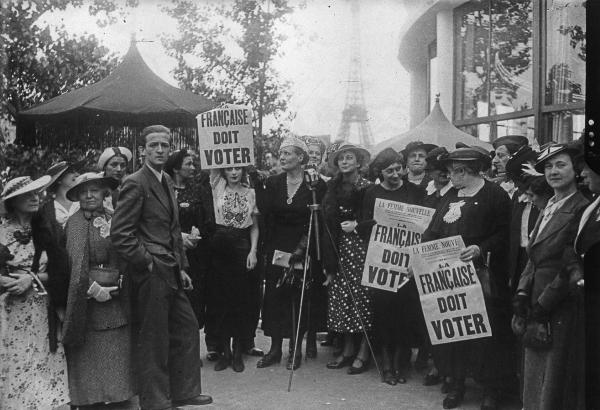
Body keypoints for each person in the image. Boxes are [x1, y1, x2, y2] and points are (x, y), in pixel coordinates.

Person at [111, 125, 212, 409]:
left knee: (187, 328)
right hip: (152, 271)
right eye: (153, 145)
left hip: (171, 269)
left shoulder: (166, 179)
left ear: (170, 149)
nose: (159, 150)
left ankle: (184, 390)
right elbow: (121, 235)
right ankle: (156, 401)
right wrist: (147, 262)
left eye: (164, 146)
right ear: (143, 150)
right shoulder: (135, 182)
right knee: (154, 338)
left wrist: (181, 267)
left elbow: (173, 228)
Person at [422, 146, 514, 410]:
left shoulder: (494, 195)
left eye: (455, 172)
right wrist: (420, 257)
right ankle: (457, 381)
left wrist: (480, 248)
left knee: (486, 331)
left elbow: (504, 233)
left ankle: (490, 388)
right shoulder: (450, 194)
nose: (451, 177)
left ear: (467, 170)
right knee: (455, 329)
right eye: (451, 172)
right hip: (449, 274)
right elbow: (433, 230)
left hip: (481, 273)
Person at [513, 143, 588, 410]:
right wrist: (522, 293)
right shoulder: (550, 206)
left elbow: (571, 263)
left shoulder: (582, 208)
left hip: (557, 306)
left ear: (575, 168)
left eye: (560, 164)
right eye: (548, 166)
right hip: (535, 301)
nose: (553, 171)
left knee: (552, 382)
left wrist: (543, 306)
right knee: (533, 378)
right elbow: (534, 255)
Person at [62, 172, 136, 408]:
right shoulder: (74, 224)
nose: (89, 195)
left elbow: (126, 252)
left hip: (116, 302)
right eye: (83, 192)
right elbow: (74, 264)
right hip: (88, 306)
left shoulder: (115, 218)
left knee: (117, 368)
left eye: (94, 190)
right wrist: (92, 289)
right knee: (89, 372)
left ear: (105, 192)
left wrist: (122, 279)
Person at [255, 135, 327, 370]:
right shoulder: (274, 183)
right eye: (281, 153)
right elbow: (265, 212)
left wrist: (303, 248)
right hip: (277, 247)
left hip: (302, 247)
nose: (282, 157)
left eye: (287, 153)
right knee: (275, 298)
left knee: (299, 297)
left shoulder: (314, 184)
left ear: (301, 157)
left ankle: (295, 349)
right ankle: (275, 349)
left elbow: (317, 219)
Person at [0, 175, 70, 409]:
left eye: (36, 193)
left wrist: (31, 279)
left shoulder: (48, 228)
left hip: (40, 310)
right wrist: (7, 282)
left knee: (42, 365)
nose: (34, 198)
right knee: (11, 363)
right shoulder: (0, 230)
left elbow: (61, 272)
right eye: (27, 194)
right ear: (12, 201)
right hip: (7, 311)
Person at [361, 148, 425, 384]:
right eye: (390, 171)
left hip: (407, 263)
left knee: (405, 315)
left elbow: (424, 227)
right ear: (380, 172)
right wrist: (375, 224)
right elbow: (364, 225)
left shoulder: (415, 192)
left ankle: (401, 363)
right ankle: (386, 364)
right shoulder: (372, 193)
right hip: (382, 263)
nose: (396, 174)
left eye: (399, 169)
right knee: (383, 314)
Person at [322, 142, 374, 375]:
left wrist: (357, 226)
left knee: (362, 298)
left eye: (349, 157)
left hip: (363, 247)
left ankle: (363, 351)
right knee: (343, 298)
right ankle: (348, 348)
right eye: (341, 158)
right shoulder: (332, 187)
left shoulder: (369, 187)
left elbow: (375, 219)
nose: (344, 162)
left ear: (358, 162)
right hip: (340, 248)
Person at [207, 166, 259, 372]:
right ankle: (224, 352)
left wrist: (252, 251)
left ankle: (238, 352)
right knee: (221, 301)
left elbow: (255, 226)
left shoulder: (251, 193)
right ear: (223, 172)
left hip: (241, 245)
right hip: (220, 246)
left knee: (240, 301)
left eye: (238, 168)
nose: (234, 172)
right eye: (229, 168)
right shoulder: (218, 186)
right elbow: (212, 162)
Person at [164, 150, 213, 332]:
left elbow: (208, 219)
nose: (193, 168)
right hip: (170, 252)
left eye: (194, 164)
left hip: (196, 254)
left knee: (194, 300)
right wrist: (178, 239)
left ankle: (190, 351)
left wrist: (197, 234)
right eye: (188, 164)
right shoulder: (164, 189)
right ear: (176, 168)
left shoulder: (199, 190)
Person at [41, 160, 84, 242]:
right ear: (59, 179)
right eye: (72, 172)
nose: (77, 175)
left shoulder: (83, 203)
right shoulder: (47, 210)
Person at [97, 146, 133, 212]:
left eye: (123, 165)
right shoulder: (93, 184)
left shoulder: (129, 186)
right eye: (114, 165)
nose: (119, 169)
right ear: (105, 167)